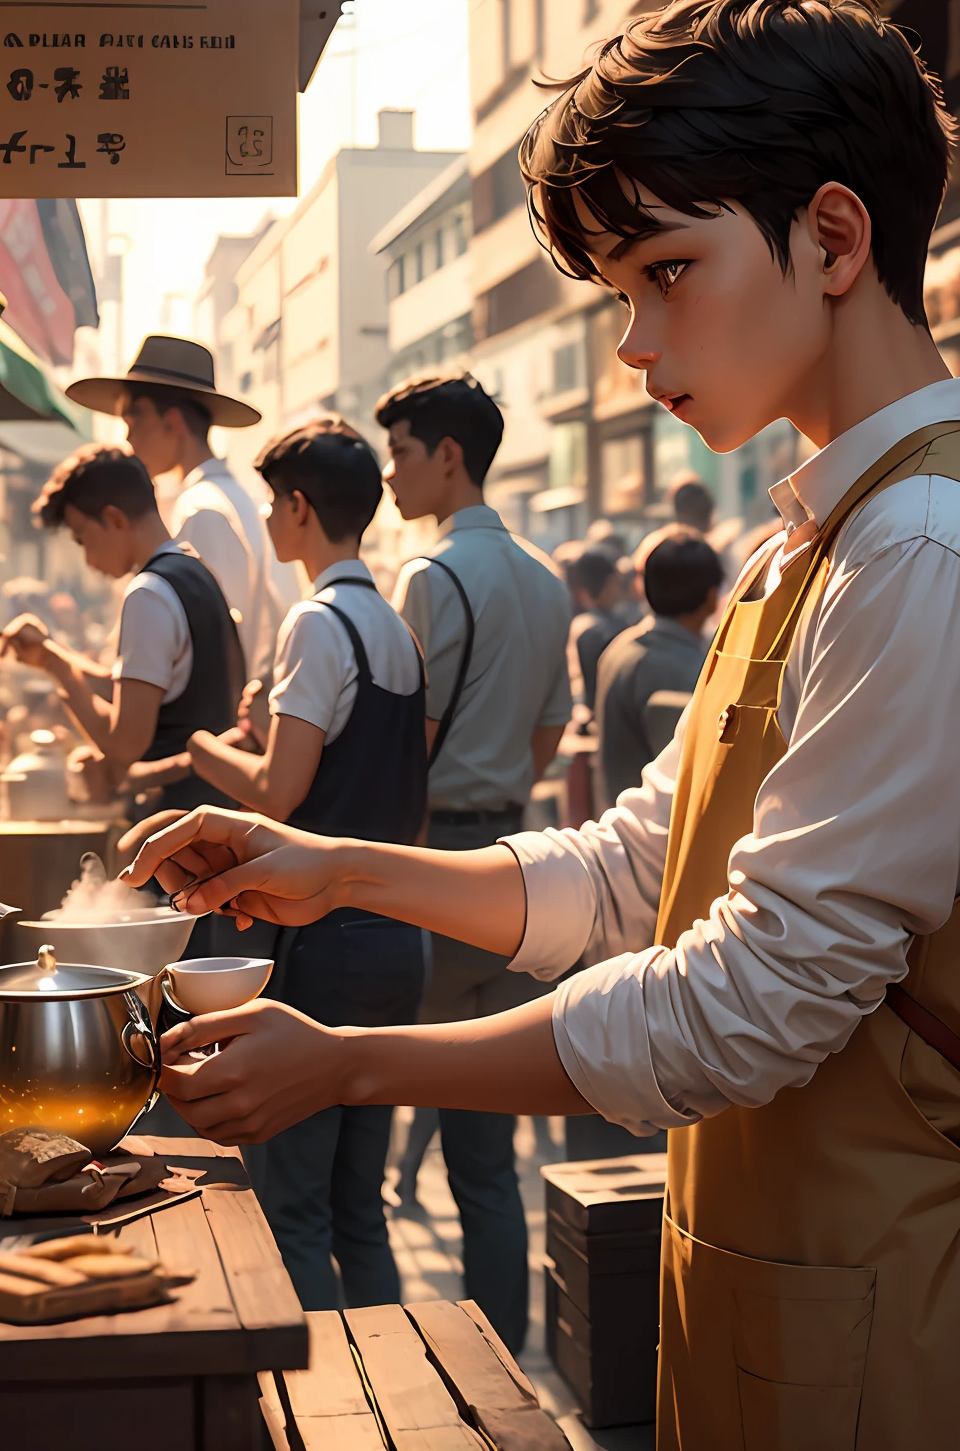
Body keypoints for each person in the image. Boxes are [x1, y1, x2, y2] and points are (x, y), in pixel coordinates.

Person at [120, 0, 960, 1451]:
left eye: (666, 274)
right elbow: (640, 870)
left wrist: (355, 1058)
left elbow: (746, 1003)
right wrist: (333, 869)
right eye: (620, 291)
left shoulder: (925, 551)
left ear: (833, 238)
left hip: (900, 1334)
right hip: (796, 1295)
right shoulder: (822, 541)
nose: (637, 344)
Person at [146, 417, 426, 1309]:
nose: (268, 518)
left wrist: (199, 745)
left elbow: (277, 793)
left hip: (324, 944)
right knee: (361, 1208)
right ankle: (391, 1381)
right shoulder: (390, 623)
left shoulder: (316, 620)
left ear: (300, 509)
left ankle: (317, 1411)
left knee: (295, 1205)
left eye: (274, 502)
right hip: (397, 936)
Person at [362, 371, 571, 1355]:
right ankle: (505, 1350)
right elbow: (548, 729)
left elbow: (412, 738)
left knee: (368, 1121)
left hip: (438, 856)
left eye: (401, 451)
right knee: (488, 1147)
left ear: (447, 453)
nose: (391, 472)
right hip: (516, 858)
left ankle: (437, 1353)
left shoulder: (428, 573)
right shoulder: (543, 572)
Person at [6, 445, 239, 807]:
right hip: (215, 803)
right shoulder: (195, 569)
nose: (87, 558)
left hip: (176, 816)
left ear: (115, 519)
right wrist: (50, 655)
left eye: (83, 538)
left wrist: (60, 670)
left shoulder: (149, 592)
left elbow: (125, 744)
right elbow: (133, 691)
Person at [67, 336, 283, 681]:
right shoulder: (227, 497)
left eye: (133, 421)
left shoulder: (204, 510)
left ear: (173, 422)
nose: (128, 439)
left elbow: (215, 649)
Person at [593, 526, 721, 804]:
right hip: (655, 832)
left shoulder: (621, 647)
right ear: (711, 597)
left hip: (616, 818)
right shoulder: (684, 666)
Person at [560, 544, 628, 720]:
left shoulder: (574, 622)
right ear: (611, 581)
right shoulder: (605, 628)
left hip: (572, 713)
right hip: (597, 716)